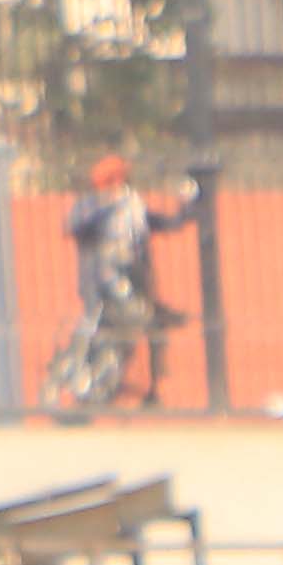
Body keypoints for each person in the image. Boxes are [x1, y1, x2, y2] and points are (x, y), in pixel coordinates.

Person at [58, 152, 190, 409]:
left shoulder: (132, 206)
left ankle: (150, 389)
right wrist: (108, 209)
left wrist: (187, 207)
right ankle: (81, 373)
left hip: (132, 281)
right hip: (98, 283)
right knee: (99, 326)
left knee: (146, 326)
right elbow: (76, 227)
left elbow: (162, 223)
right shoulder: (92, 206)